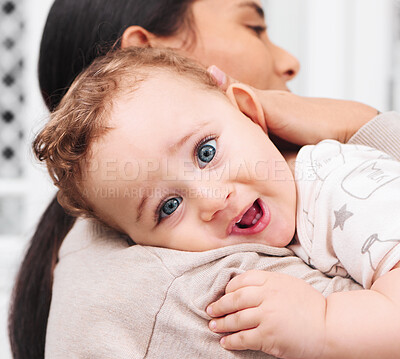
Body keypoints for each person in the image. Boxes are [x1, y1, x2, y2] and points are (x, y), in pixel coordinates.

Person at [8, 0, 400, 358]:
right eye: (169, 206)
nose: (212, 199)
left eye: (206, 152)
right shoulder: (171, 288)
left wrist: (324, 323)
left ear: (247, 110)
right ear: (133, 237)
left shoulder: (344, 189)